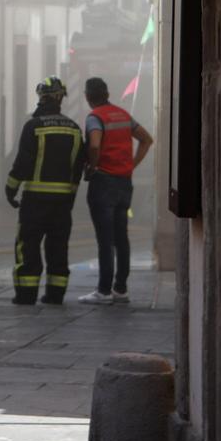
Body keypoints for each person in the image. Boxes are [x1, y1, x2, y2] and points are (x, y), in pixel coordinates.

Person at [5, 76, 86, 305]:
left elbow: (22, 163)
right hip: (63, 203)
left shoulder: (34, 126)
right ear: (61, 98)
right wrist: (71, 195)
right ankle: (55, 294)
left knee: (27, 244)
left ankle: (26, 294)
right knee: (58, 246)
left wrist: (10, 190)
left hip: (35, 200)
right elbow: (79, 166)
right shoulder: (74, 129)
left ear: (41, 97)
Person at [78, 76, 154, 304]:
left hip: (103, 182)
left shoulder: (95, 117)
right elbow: (147, 140)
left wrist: (92, 166)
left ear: (88, 97)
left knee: (105, 239)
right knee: (122, 238)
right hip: (124, 182)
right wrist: (132, 164)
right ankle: (121, 288)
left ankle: (103, 291)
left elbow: (93, 144)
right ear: (107, 93)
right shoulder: (122, 115)